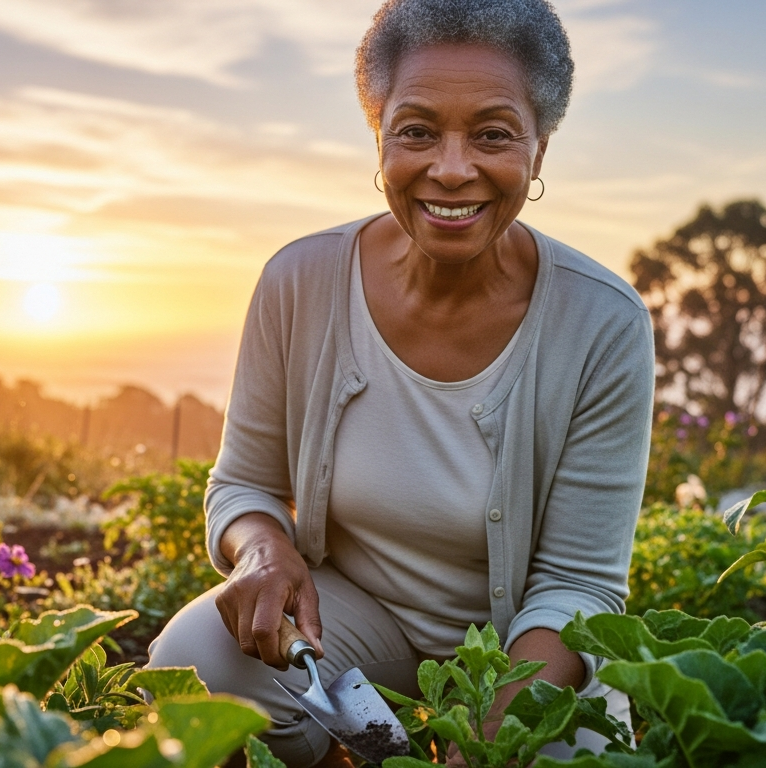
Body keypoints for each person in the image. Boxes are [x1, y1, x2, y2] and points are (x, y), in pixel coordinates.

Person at [148, 0, 653, 765]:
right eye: (417, 130)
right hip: (356, 629)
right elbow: (243, 484)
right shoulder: (301, 280)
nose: (452, 169)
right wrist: (263, 553)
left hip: (527, 654)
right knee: (195, 665)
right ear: (379, 137)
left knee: (562, 752)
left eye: (492, 134)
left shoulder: (603, 322)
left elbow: (579, 587)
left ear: (539, 150)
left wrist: (490, 733)